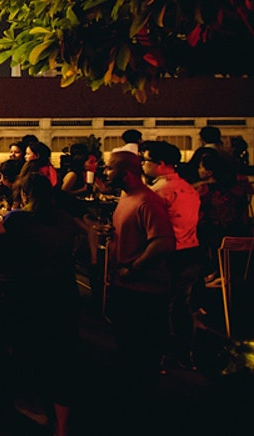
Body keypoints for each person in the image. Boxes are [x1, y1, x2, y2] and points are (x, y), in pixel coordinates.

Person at [0, 174, 78, 436]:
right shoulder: (64, 218)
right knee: (62, 355)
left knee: (30, 348)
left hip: (32, 291)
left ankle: (33, 405)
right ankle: (61, 424)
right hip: (64, 292)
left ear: (24, 194)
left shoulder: (18, 218)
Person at [103, 151, 175, 418]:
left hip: (144, 292)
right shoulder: (126, 198)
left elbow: (163, 242)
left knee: (141, 355)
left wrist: (133, 267)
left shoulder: (148, 201)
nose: (104, 173)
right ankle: (129, 404)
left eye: (109, 169)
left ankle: (142, 412)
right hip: (127, 289)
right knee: (128, 351)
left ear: (125, 173)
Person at [139, 140, 202, 371]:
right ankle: (184, 353)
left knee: (158, 307)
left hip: (167, 254)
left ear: (161, 163)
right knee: (181, 305)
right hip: (191, 251)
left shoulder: (159, 192)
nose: (143, 164)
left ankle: (159, 355)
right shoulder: (190, 188)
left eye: (145, 160)